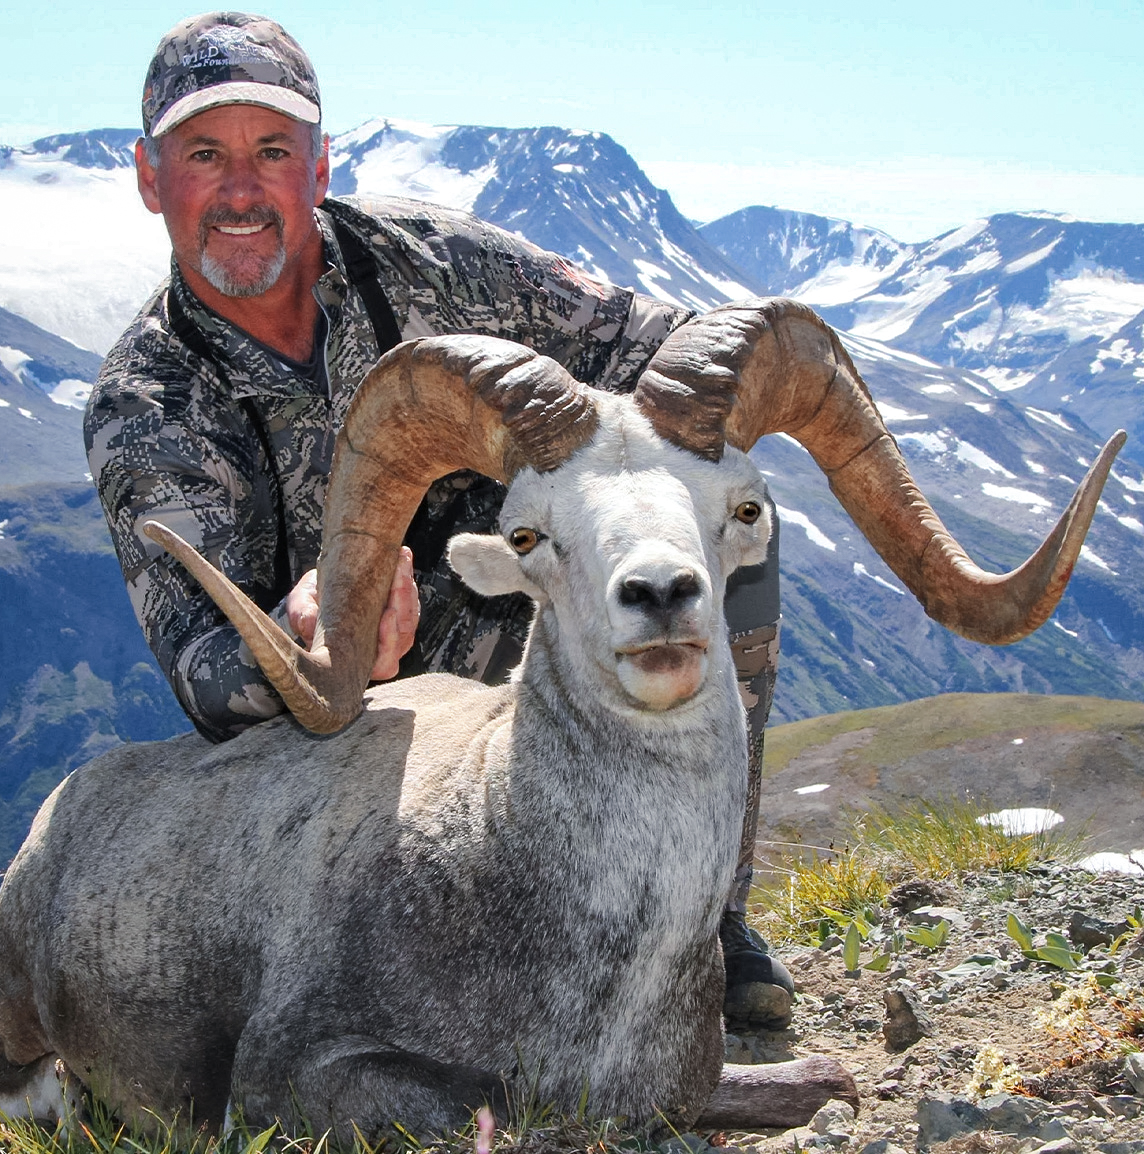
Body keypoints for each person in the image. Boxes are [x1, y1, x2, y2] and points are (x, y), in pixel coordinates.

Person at [84, 11, 793, 1030]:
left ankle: (706, 917)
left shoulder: (431, 263)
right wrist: (302, 632)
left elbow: (649, 345)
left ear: (319, 165)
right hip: (341, 724)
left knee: (737, 540)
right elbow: (202, 667)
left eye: (272, 150)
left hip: (516, 618)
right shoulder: (146, 401)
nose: (242, 188)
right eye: (205, 153)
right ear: (153, 179)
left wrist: (641, 485)